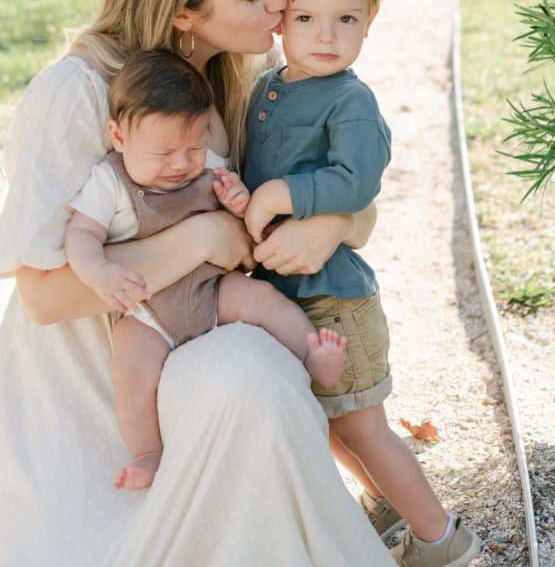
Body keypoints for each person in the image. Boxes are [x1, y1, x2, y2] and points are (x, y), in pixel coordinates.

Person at [0, 0, 392, 567]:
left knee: (257, 377)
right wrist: (202, 241)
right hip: (98, 373)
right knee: (249, 379)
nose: (278, 1)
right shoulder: (78, 94)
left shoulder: (252, 77)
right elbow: (44, 297)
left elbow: (342, 186)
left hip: (199, 331)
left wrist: (334, 228)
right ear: (185, 11)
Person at [243, 0, 481, 567]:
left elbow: (355, 180)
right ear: (277, 17)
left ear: (370, 20)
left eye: (346, 19)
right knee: (328, 427)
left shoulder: (349, 101)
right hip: (289, 299)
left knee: (365, 428)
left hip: (335, 301)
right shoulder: (267, 87)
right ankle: (387, 509)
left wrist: (277, 198)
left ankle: (441, 539)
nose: (326, 36)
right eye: (307, 17)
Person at [66, 48, 346, 492]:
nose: (180, 164)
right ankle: (148, 452)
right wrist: (99, 272)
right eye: (162, 151)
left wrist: (237, 202)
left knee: (265, 302)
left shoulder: (208, 168)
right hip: (148, 309)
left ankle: (315, 357)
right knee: (131, 372)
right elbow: (79, 235)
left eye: (194, 147)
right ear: (118, 137)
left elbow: (241, 228)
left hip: (212, 289)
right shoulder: (109, 182)